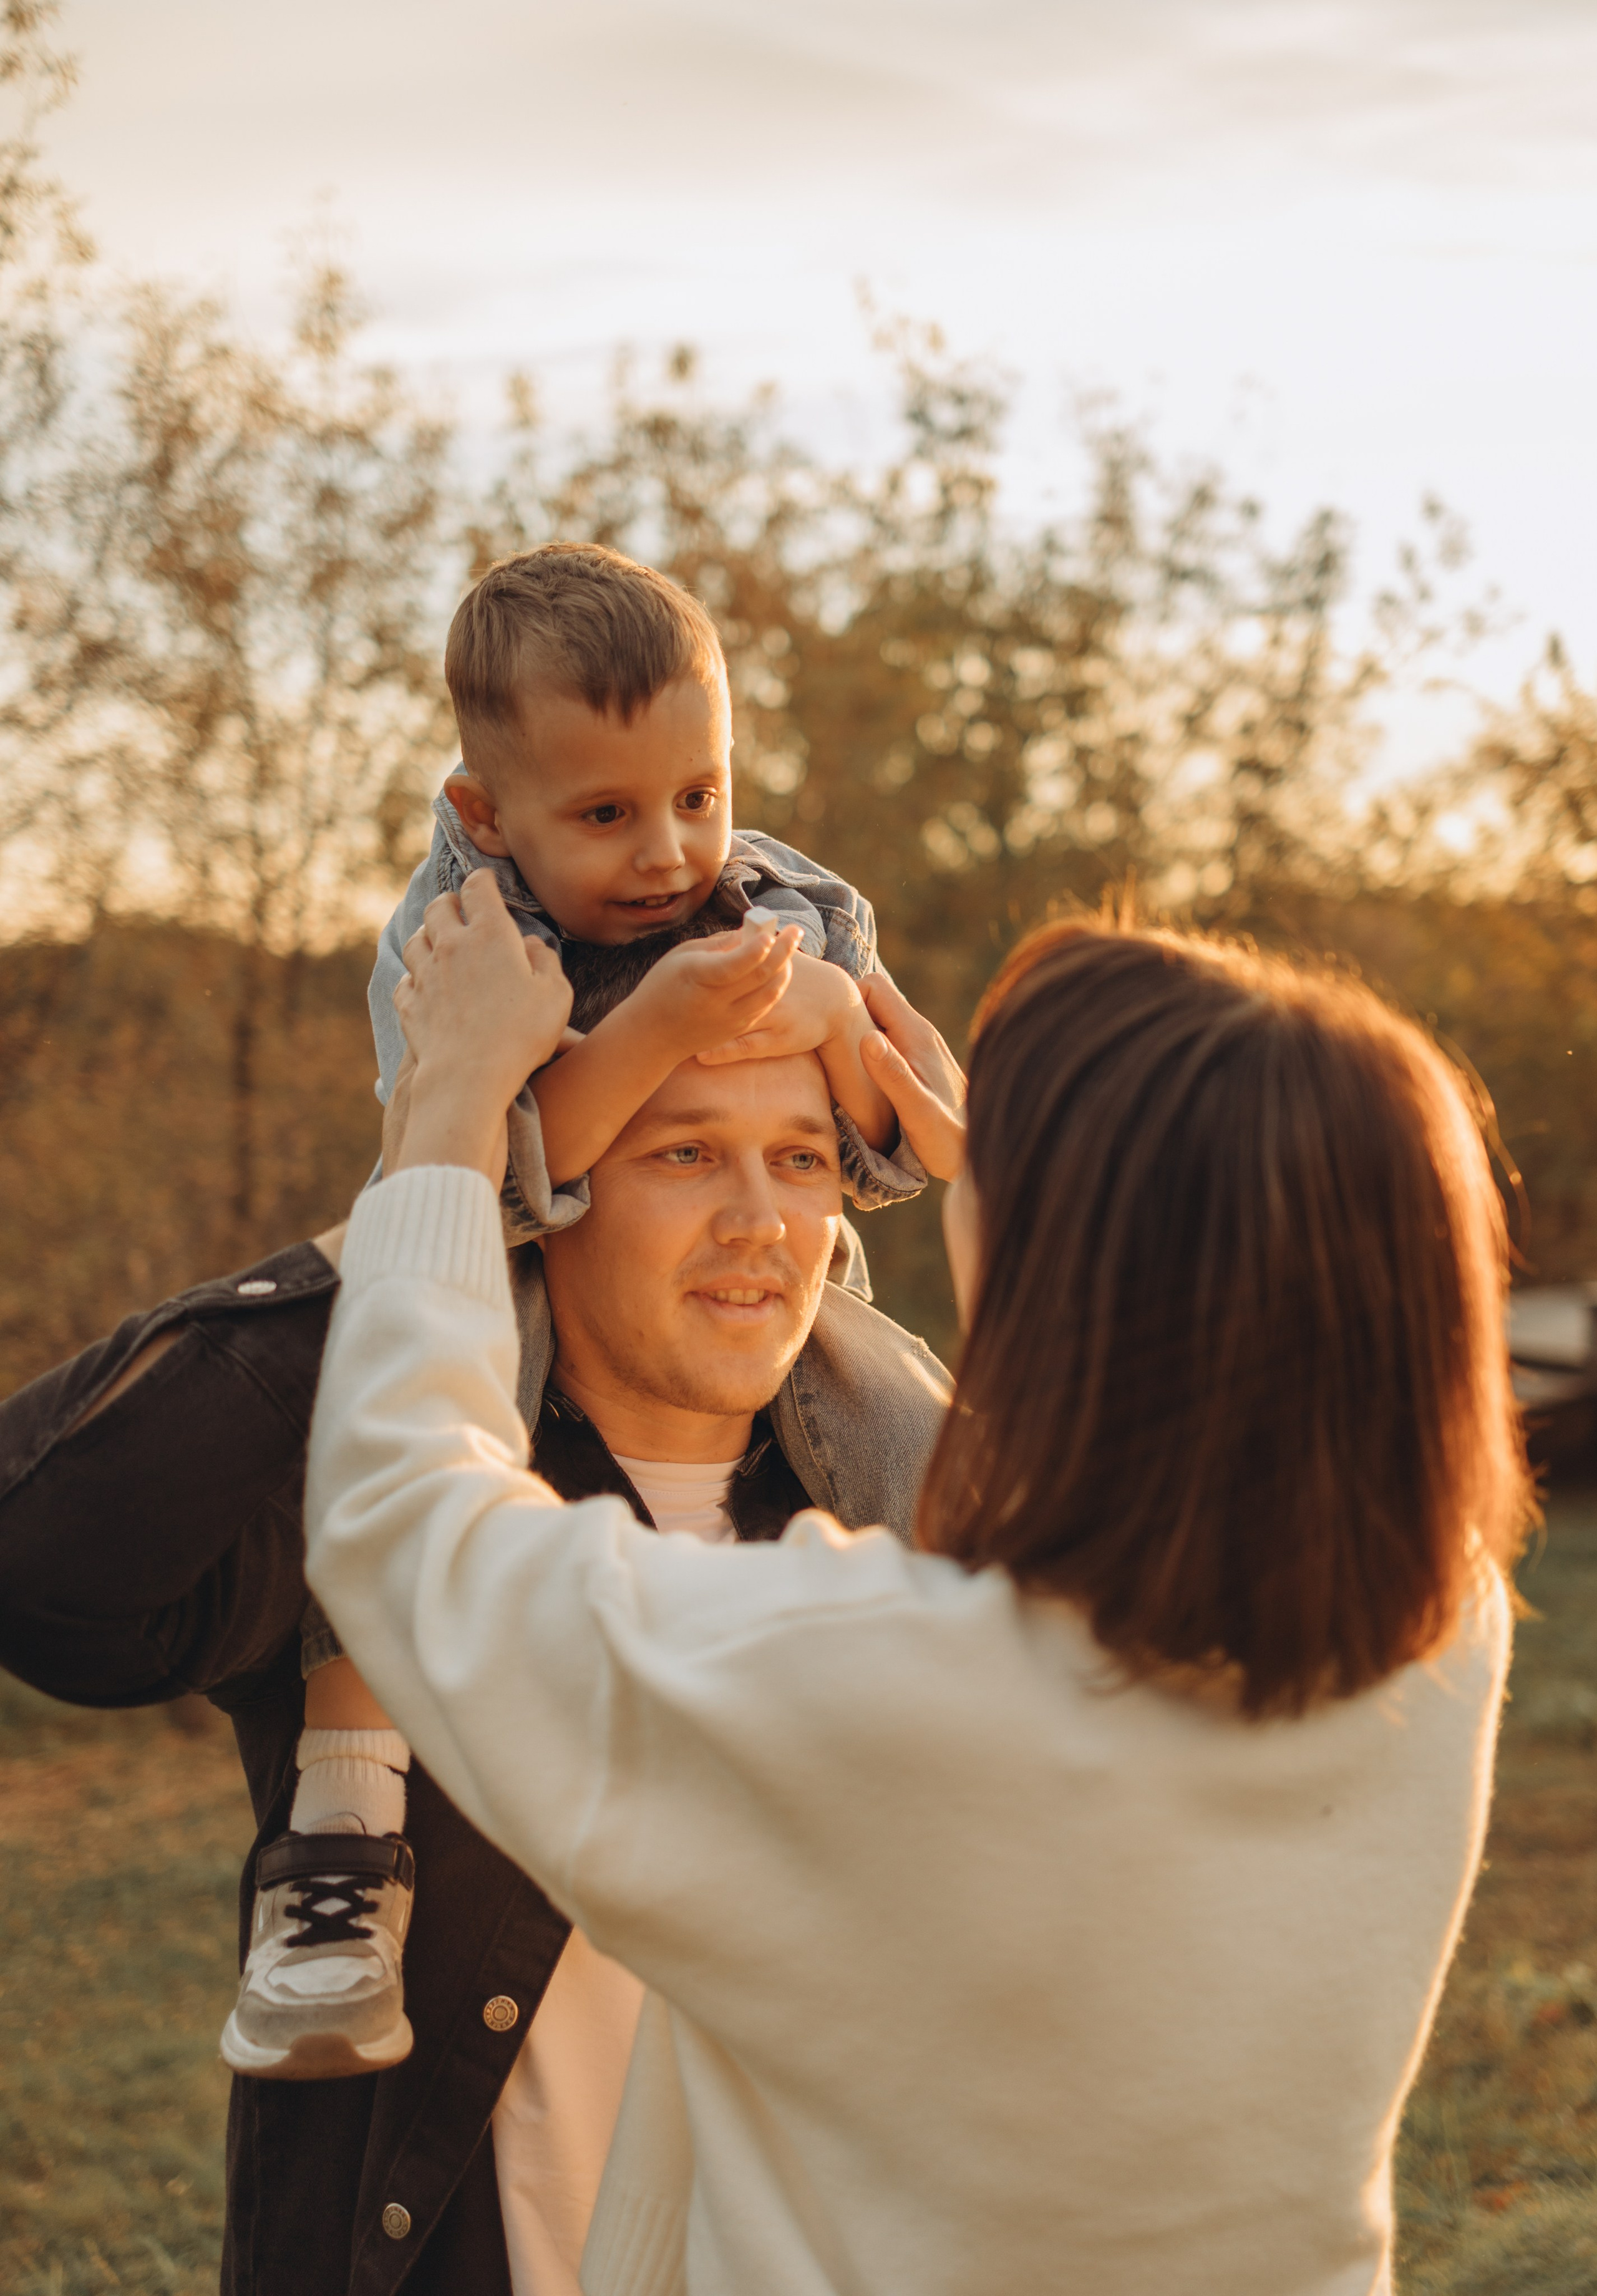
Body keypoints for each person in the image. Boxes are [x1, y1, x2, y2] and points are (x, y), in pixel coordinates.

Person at [305, 874, 1528, 2296]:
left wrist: (452, 1105)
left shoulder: (867, 1692)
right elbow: (1249, 1402)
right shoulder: (1436, 1636)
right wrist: (1048, 1186)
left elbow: (397, 1512)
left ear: (1061, 1272)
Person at [0, 1029, 951, 2295]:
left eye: (797, 1157)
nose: (758, 1218)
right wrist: (435, 1189)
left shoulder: (918, 1507)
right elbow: (45, 1571)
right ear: (546, 1181)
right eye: (682, 1151)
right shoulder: (381, 1489)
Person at [279, 538, 929, 2082]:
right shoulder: (459, 942)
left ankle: (957, 1770)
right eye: (604, 812)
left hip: (781, 1303)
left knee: (924, 1434)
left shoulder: (787, 898)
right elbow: (488, 1179)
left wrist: (842, 1018)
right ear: (481, 815)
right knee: (384, 1462)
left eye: (696, 793)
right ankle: (343, 1841)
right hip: (504, 1281)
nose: (667, 851)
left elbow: (929, 1144)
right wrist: (654, 1031)